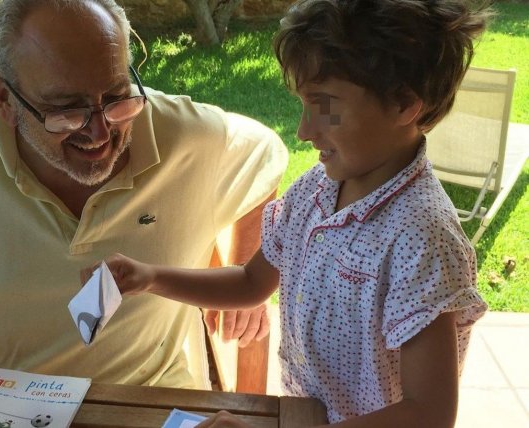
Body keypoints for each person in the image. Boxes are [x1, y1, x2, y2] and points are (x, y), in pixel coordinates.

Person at [97, 0, 491, 425]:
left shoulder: (423, 239)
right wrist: (152, 277)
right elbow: (252, 281)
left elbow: (428, 413)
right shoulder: (316, 191)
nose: (304, 129)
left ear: (403, 105)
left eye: (324, 105)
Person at [0, 0, 288, 390]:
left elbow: (264, 155)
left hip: (140, 401)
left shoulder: (185, 134)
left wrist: (247, 278)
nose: (102, 134)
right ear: (3, 98)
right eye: (67, 111)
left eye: (117, 97)